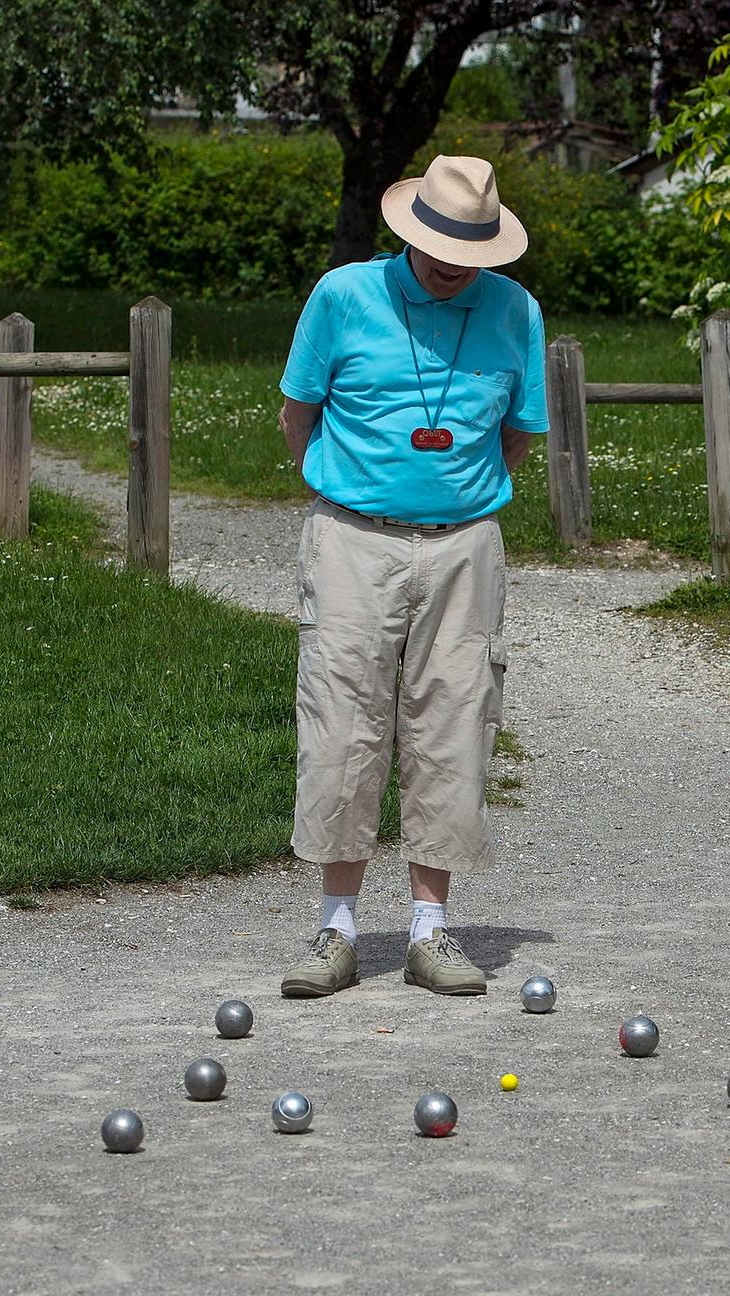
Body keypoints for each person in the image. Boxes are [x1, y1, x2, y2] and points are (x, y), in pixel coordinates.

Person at [277, 155, 549, 1000]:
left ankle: (432, 930)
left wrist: (449, 501)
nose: (450, 263)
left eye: (468, 251)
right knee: (341, 721)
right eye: (437, 245)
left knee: (455, 721)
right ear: (407, 229)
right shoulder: (342, 294)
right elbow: (299, 413)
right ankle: (337, 928)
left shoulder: (514, 310)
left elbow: (517, 431)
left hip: (466, 544)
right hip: (354, 538)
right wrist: (351, 496)